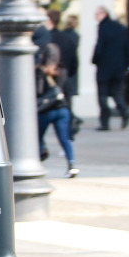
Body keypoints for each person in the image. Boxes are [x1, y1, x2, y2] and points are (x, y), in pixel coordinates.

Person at [37, 43, 77, 178]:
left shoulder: (39, 71)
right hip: (62, 109)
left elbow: (38, 91)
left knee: (37, 137)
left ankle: (40, 155)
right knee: (64, 138)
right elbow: (68, 90)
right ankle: (72, 163)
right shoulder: (62, 70)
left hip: (45, 110)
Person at [92, 6, 129, 130]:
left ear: (103, 14)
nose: (95, 17)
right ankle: (124, 111)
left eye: (96, 14)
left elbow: (99, 48)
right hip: (119, 67)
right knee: (117, 93)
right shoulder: (120, 28)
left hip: (104, 67)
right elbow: (128, 48)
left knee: (103, 96)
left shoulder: (103, 28)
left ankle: (105, 122)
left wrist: (94, 60)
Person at [51, 12, 82, 138]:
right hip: (68, 74)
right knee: (66, 102)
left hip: (57, 76)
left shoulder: (56, 37)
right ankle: (71, 125)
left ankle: (71, 124)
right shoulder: (72, 37)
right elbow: (75, 61)